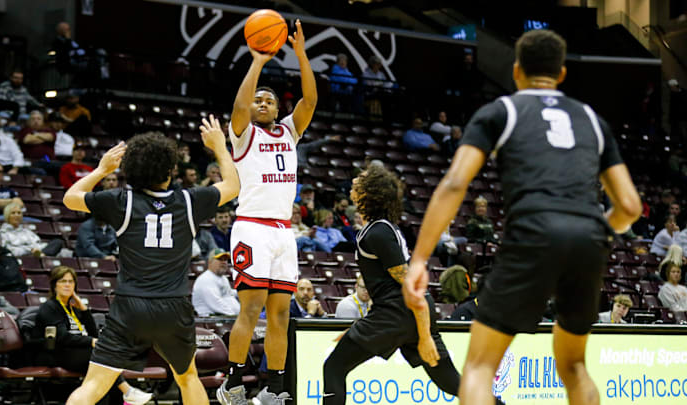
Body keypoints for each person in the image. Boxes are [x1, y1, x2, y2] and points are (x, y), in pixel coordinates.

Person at [403, 30, 641, 405]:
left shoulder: (502, 111)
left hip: (532, 232)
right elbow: (630, 207)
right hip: (587, 237)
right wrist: (598, 232)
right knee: (575, 368)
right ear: (561, 74)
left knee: (480, 367)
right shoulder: (592, 120)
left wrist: (419, 259)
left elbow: (453, 183)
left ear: (516, 72)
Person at [61, 114, 239, 405]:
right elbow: (233, 186)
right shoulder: (189, 200)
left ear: (131, 170)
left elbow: (71, 197)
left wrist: (101, 169)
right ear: (170, 169)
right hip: (174, 304)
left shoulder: (121, 201)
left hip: (130, 306)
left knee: (94, 384)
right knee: (188, 378)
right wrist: (219, 146)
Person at [322, 166, 504, 405]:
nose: (355, 180)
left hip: (399, 313)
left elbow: (410, 286)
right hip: (400, 313)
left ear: (371, 193)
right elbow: (389, 287)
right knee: (451, 382)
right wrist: (366, 326)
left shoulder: (378, 232)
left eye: (361, 179)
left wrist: (424, 335)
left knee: (334, 367)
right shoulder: (382, 228)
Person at [218, 19, 317, 405]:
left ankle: (274, 388)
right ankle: (233, 382)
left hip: (282, 233)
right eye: (259, 100)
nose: (262, 103)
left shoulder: (289, 132)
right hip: (252, 228)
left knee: (281, 316)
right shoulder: (243, 133)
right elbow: (239, 105)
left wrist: (302, 56)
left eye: (269, 100)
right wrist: (258, 61)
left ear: (278, 109)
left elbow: (309, 101)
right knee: (252, 308)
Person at [34, 266, 152, 405]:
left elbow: (93, 333)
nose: (67, 285)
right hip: (58, 353)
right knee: (102, 358)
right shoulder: (50, 307)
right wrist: (91, 342)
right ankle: (127, 391)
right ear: (54, 285)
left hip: (80, 352)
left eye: (71, 282)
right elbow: (62, 337)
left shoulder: (74, 309)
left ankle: (125, 396)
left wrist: (84, 310)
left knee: (104, 366)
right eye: (63, 281)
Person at [0, 202, 64, 257]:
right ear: (7, 215)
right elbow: (8, 251)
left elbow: (38, 244)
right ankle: (42, 255)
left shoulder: (27, 231)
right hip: (21, 257)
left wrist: (37, 250)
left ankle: (42, 255)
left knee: (58, 242)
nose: (17, 215)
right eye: (13, 213)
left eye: (19, 213)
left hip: (37, 253)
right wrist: (30, 250)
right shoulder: (2, 233)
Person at [192, 248, 240, 316]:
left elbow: (228, 293)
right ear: (210, 262)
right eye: (220, 259)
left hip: (224, 318)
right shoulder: (206, 279)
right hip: (209, 320)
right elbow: (216, 303)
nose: (224, 262)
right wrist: (236, 316)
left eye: (225, 259)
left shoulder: (223, 278)